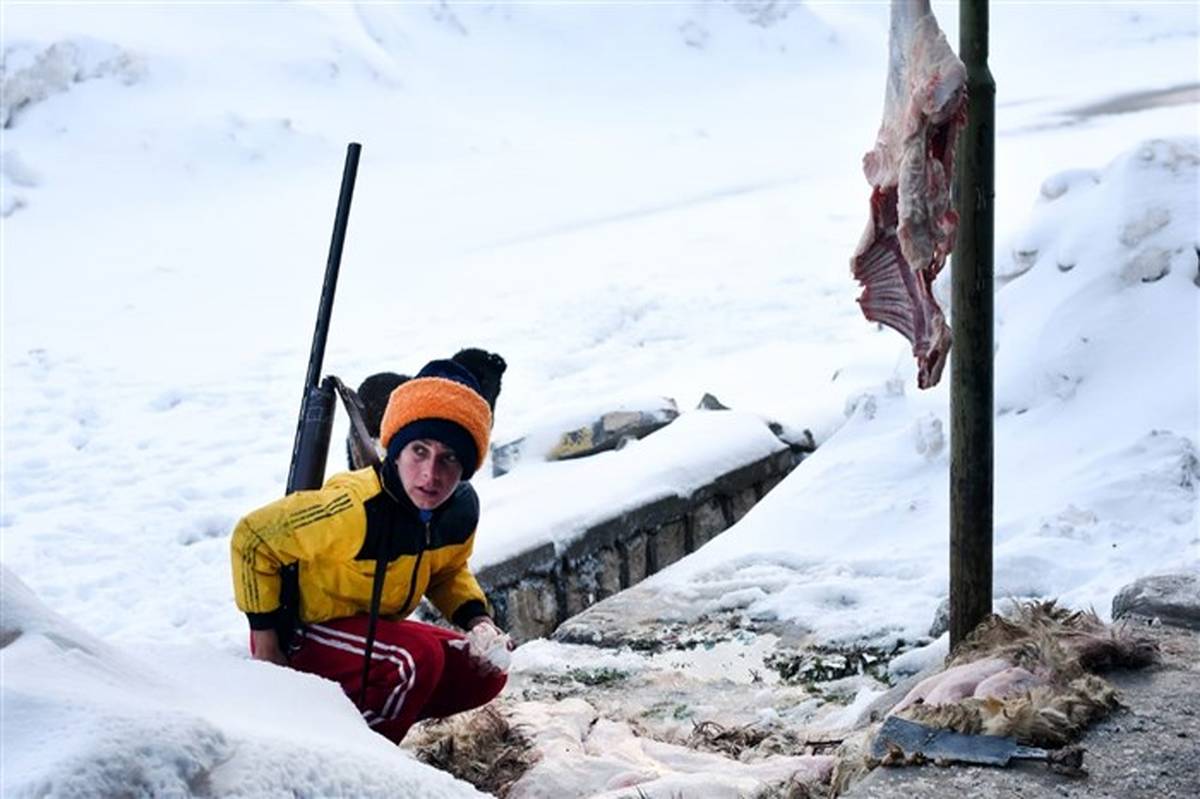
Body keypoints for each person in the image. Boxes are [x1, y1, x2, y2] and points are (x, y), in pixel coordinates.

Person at [231, 358, 511, 743]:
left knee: (483, 669)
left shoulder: (457, 510)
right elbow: (253, 538)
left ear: (466, 468)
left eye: (449, 458)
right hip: (303, 634)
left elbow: (447, 570)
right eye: (419, 451)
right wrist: (267, 651)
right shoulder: (354, 507)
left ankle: (353, 721)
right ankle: (364, 760)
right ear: (395, 451)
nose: (431, 475)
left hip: (369, 634)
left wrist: (478, 621)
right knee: (415, 661)